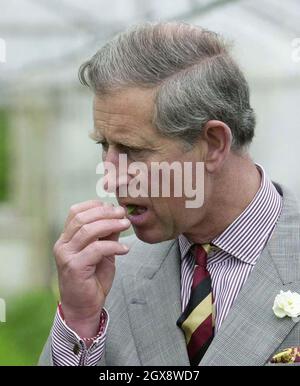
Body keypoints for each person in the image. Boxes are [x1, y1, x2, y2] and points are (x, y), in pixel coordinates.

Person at [39, 21, 300, 366]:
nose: (112, 178)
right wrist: (80, 320)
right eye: (105, 145)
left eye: (132, 150)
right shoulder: (111, 274)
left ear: (213, 144)